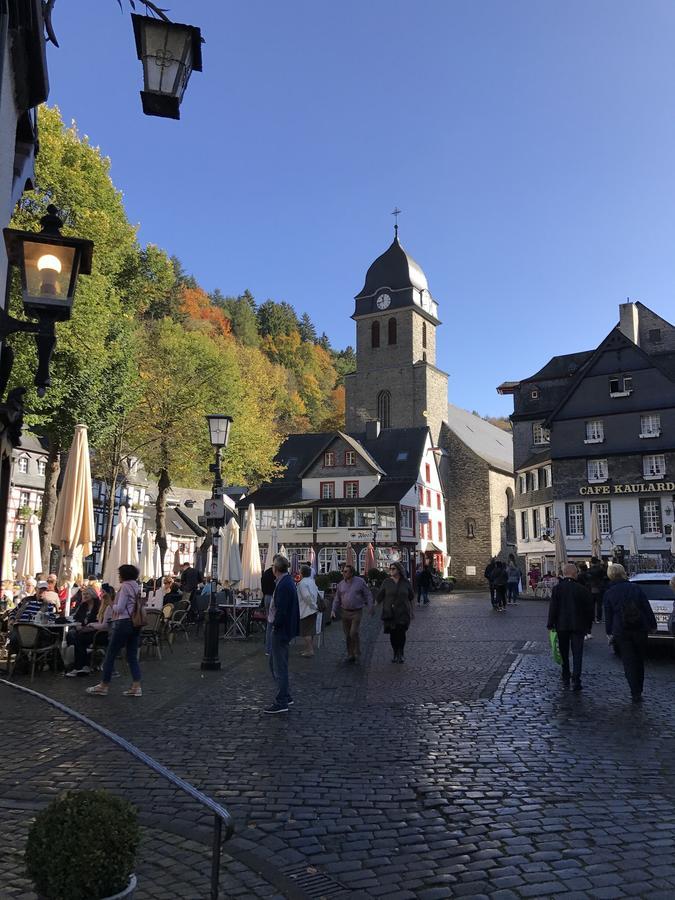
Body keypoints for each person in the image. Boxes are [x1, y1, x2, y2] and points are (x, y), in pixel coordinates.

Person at [86, 564, 143, 698]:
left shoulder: (124, 587)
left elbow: (119, 609)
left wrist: (110, 601)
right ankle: (136, 686)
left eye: (119, 574)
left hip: (123, 623)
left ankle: (103, 685)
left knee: (110, 654)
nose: (118, 577)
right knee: (132, 655)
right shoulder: (136, 586)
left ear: (123, 575)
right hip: (136, 624)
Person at [604, 563, 657, 703]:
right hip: (639, 627)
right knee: (639, 659)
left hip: (621, 630)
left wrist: (609, 632)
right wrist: (652, 624)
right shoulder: (635, 588)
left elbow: (608, 614)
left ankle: (634, 691)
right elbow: (646, 607)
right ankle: (639, 688)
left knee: (628, 661)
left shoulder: (609, 592)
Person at [547, 563, 594, 691]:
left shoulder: (557, 589)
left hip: (562, 625)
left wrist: (550, 624)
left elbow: (553, 608)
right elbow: (589, 609)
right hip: (578, 625)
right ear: (575, 574)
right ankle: (576, 678)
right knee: (577, 653)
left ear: (564, 573)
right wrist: (588, 627)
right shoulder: (582, 589)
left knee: (564, 651)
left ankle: (565, 673)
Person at [264, 555, 300, 714]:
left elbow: (282, 610)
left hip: (281, 630)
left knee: (279, 666)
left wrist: (276, 626)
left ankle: (282, 700)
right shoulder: (285, 582)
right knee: (274, 663)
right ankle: (285, 694)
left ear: (276, 569)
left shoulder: (284, 584)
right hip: (282, 628)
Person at [67, 588, 114, 676]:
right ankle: (83, 662)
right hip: (84, 630)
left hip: (98, 632)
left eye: (87, 594)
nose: (84, 596)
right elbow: (77, 618)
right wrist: (78, 625)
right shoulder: (83, 606)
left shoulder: (99, 605)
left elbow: (102, 623)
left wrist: (89, 626)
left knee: (78, 639)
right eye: (83, 594)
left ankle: (80, 666)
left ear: (93, 595)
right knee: (71, 635)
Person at [331, 563, 373, 663]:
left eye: (345, 571)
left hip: (356, 612)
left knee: (353, 632)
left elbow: (368, 594)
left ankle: (356, 650)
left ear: (351, 573)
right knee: (348, 635)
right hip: (344, 612)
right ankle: (351, 654)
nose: (343, 573)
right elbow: (337, 598)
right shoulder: (341, 584)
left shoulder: (360, 582)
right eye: (343, 571)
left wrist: (370, 606)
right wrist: (333, 610)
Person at [376, 562, 415, 663]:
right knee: (393, 634)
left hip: (403, 612)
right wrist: (373, 606)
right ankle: (395, 653)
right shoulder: (386, 582)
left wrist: (412, 611)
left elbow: (411, 598)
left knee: (401, 633)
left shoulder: (405, 583)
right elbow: (380, 596)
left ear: (399, 570)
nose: (391, 570)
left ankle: (401, 653)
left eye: (393, 569)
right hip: (390, 613)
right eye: (390, 569)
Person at [296, 564, 319, 657]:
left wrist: (313, 606)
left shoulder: (302, 583)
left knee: (305, 632)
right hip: (312, 610)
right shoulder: (312, 581)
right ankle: (308, 648)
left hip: (306, 610)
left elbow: (306, 597)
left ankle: (310, 650)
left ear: (301, 573)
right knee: (310, 631)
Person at [261, 564, 277, 656]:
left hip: (266, 597)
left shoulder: (266, 572)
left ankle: (268, 648)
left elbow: (262, 584)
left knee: (269, 624)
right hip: (273, 597)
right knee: (273, 624)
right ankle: (272, 647)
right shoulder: (276, 573)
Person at [588, 557, 608, 625]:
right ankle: (599, 618)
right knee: (599, 605)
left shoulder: (589, 570)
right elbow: (606, 576)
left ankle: (592, 618)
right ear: (596, 562)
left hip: (591, 588)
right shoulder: (600, 569)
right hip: (599, 588)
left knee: (592, 605)